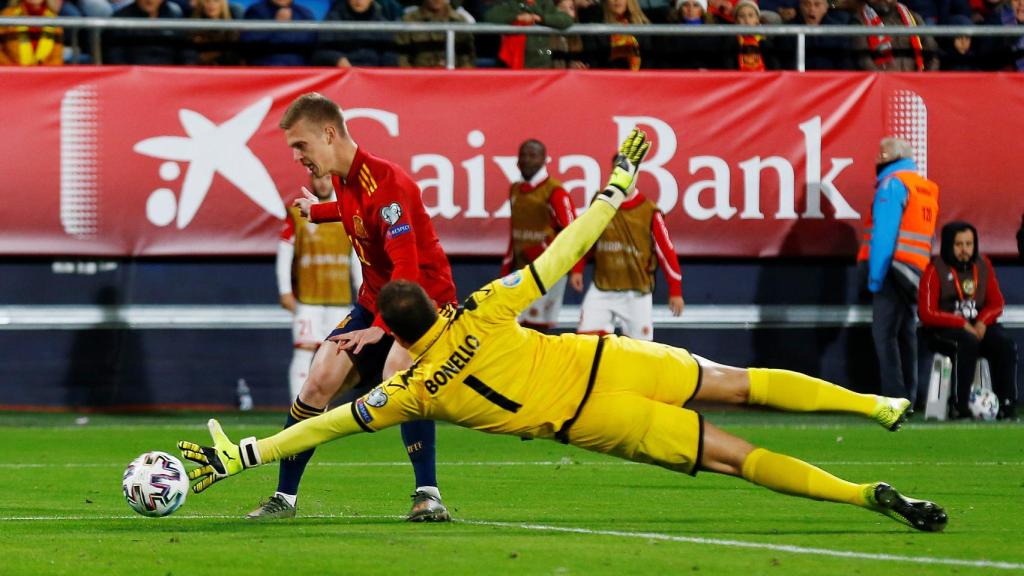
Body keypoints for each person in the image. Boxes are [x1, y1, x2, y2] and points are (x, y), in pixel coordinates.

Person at [179, 129, 946, 534]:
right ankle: (873, 404)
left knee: (737, 459)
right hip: (611, 361)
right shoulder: (483, 306)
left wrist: (242, 455)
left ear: (399, 335)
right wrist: (615, 185)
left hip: (597, 421)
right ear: (436, 309)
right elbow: (563, 252)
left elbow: (327, 424)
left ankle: (859, 494)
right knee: (739, 383)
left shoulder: (412, 391)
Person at [245, 92, 457, 522]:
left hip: (422, 302)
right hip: (377, 301)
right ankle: (284, 498)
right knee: (318, 377)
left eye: (301, 145)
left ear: (328, 134)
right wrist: (320, 212)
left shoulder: (389, 185)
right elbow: (354, 212)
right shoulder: (345, 181)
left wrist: (382, 327)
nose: (297, 157)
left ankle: (428, 494)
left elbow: (406, 268)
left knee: (397, 372)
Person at [857, 137, 939, 404]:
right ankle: (909, 398)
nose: (876, 159)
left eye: (881, 154)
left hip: (891, 270)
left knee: (884, 336)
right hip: (915, 271)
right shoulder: (924, 188)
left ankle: (895, 398)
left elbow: (884, 234)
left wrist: (875, 276)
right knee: (906, 334)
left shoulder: (892, 184)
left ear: (891, 157)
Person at [918, 221, 1018, 420]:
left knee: (1005, 344)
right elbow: (926, 313)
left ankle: (1006, 404)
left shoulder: (983, 265)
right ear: (949, 245)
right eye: (959, 244)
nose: (965, 249)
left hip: (977, 326)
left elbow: (997, 303)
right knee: (967, 342)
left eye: (969, 244)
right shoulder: (934, 269)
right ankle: (960, 406)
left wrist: (982, 321)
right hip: (942, 331)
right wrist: (961, 323)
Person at [277, 174, 362, 402]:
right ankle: (297, 409)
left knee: (337, 356)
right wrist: (285, 290)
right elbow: (285, 253)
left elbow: (355, 255)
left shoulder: (345, 210)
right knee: (304, 350)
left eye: (326, 178)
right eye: (317, 178)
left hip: (339, 300)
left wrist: (362, 288)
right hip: (308, 300)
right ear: (310, 180)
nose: (322, 183)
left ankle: (322, 408)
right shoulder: (297, 213)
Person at [570, 177, 684, 340]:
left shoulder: (649, 211)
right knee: (586, 344)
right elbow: (588, 238)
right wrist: (577, 268)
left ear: (635, 175)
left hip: (636, 293)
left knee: (641, 350)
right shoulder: (601, 202)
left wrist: (675, 290)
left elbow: (666, 251)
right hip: (602, 288)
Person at [501, 139, 578, 332]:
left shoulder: (556, 192)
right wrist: (507, 266)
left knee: (536, 329)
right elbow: (515, 232)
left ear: (544, 159)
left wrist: (576, 269)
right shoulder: (515, 189)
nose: (526, 160)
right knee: (514, 325)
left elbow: (572, 231)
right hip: (521, 271)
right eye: (523, 155)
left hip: (547, 270)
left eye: (532, 155)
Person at [852, 0, 939, 71]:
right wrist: (886, 82)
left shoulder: (914, 18)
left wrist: (925, 81)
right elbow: (863, 61)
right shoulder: (859, 21)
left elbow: (932, 56)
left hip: (915, 83)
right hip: (881, 84)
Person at [485, 0, 573, 69]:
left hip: (541, 56)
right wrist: (517, 17)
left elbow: (566, 19)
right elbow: (490, 16)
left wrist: (541, 19)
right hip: (511, 59)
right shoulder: (512, 3)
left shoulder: (545, 3)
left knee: (546, 53)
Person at [105, 0, 196, 65]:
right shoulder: (119, 20)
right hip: (133, 78)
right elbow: (115, 58)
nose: (149, 0)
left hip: (170, 77)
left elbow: (187, 54)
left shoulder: (175, 17)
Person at [313, 0, 399, 68]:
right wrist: (337, 59)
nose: (358, 0)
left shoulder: (382, 25)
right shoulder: (333, 20)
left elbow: (390, 59)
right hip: (342, 78)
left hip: (372, 79)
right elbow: (320, 53)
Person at [396, 0, 476, 68]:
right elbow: (402, 59)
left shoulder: (459, 21)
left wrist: (460, 78)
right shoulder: (408, 20)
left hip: (452, 77)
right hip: (419, 77)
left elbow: (467, 60)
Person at [241, 0, 316, 66]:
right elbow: (250, 43)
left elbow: (311, 42)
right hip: (266, 68)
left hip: (299, 69)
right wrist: (277, 26)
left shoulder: (304, 13)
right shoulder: (256, 11)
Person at [582, 0, 651, 69]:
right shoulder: (594, 28)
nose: (617, 0)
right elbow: (593, 64)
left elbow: (649, 63)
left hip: (640, 75)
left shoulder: (644, 27)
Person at [0, 0, 64, 66]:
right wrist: (15, 70)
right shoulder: (7, 16)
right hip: (12, 71)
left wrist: (41, 71)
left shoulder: (54, 19)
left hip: (45, 72)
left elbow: (57, 59)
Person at [190, 0, 242, 66]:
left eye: (216, 1)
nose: (211, 4)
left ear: (223, 5)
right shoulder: (194, 28)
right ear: (202, 4)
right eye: (207, 1)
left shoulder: (232, 31)